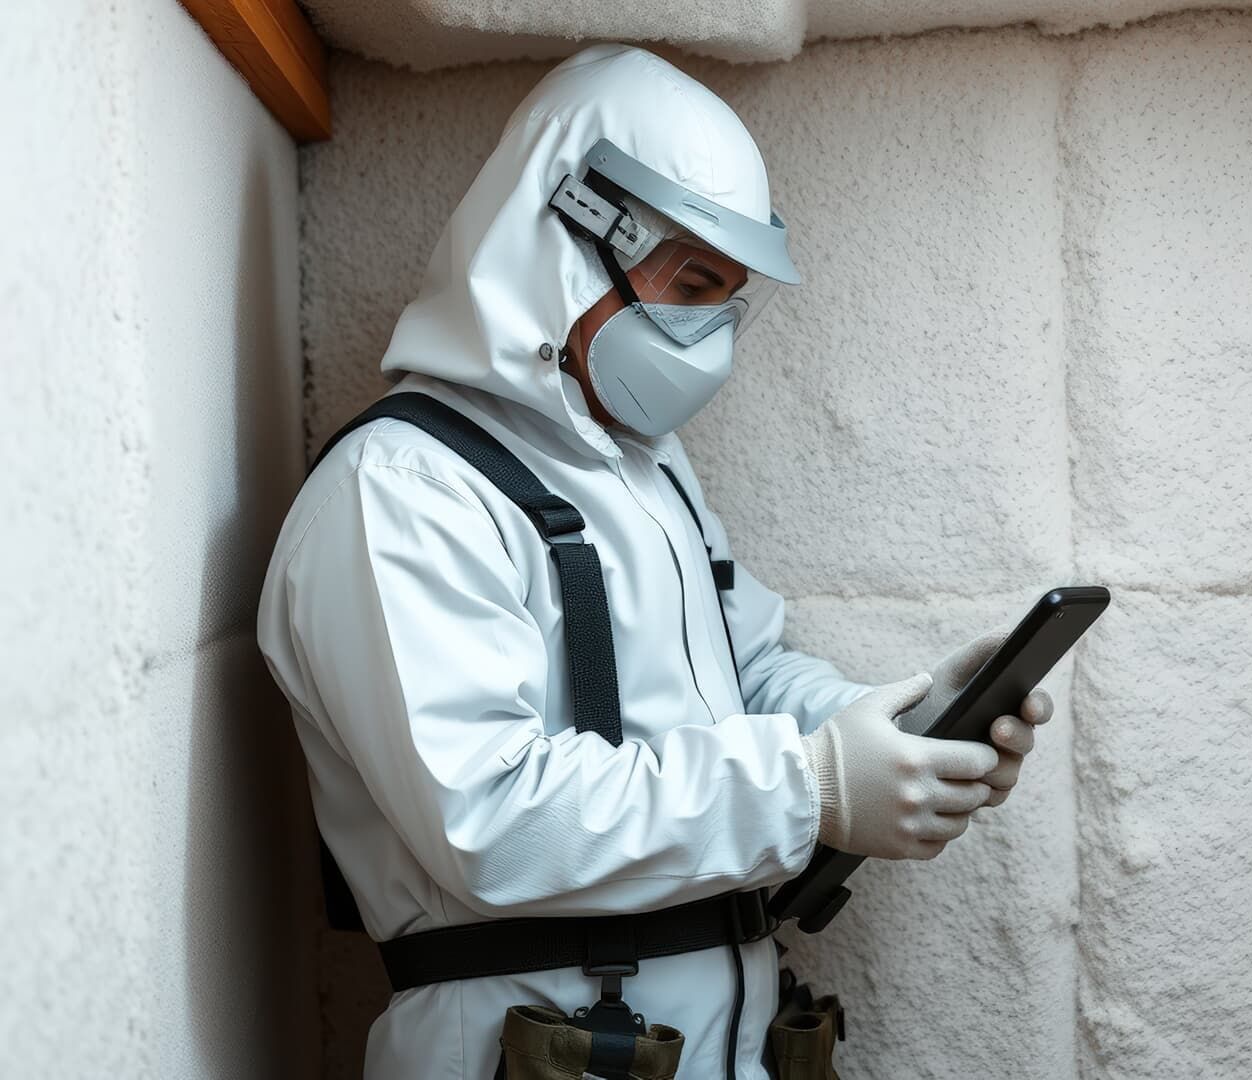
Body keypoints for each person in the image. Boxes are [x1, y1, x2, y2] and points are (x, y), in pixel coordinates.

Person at [257, 44, 1052, 1080]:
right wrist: (811, 788)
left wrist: (887, 725)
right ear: (568, 237)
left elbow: (744, 670)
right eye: (689, 284)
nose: (706, 335)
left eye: (725, 298)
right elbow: (492, 818)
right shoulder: (402, 490)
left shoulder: (645, 475)